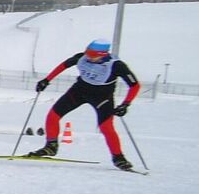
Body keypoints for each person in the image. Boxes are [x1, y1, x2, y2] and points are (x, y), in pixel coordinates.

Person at [25, 39, 139, 170]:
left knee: (106, 127)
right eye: (87, 52)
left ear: (103, 54)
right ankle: (51, 147)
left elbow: (135, 85)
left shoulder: (117, 65)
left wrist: (125, 104)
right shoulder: (82, 57)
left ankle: (119, 158)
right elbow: (64, 65)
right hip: (78, 91)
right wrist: (46, 80)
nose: (88, 56)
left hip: (102, 97)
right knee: (53, 115)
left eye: (92, 54)